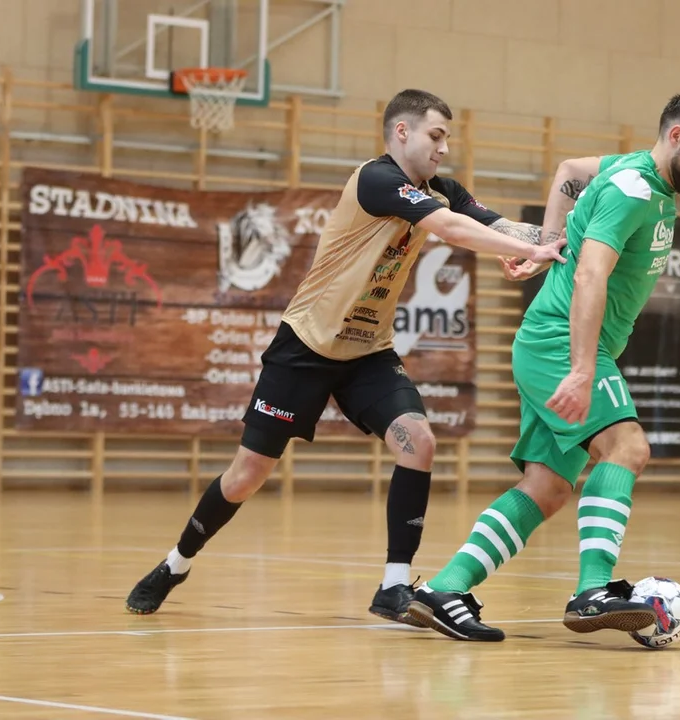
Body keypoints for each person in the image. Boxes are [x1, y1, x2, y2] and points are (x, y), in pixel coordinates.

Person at [124, 89, 566, 623]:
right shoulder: (375, 181)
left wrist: (563, 238)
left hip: (368, 352)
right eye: (436, 135)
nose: (444, 148)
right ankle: (175, 563)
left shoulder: (443, 189)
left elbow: (497, 225)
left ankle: (393, 587)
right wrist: (526, 252)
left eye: (447, 138)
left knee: (419, 441)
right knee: (246, 477)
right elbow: (450, 229)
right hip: (306, 346)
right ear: (402, 132)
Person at [407, 92, 680, 641]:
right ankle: (592, 592)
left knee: (548, 486)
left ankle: (446, 587)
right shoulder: (632, 192)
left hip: (547, 341)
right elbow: (589, 277)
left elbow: (568, 169)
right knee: (627, 448)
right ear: (677, 136)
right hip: (563, 342)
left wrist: (547, 237)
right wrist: (583, 370)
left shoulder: (631, 170)